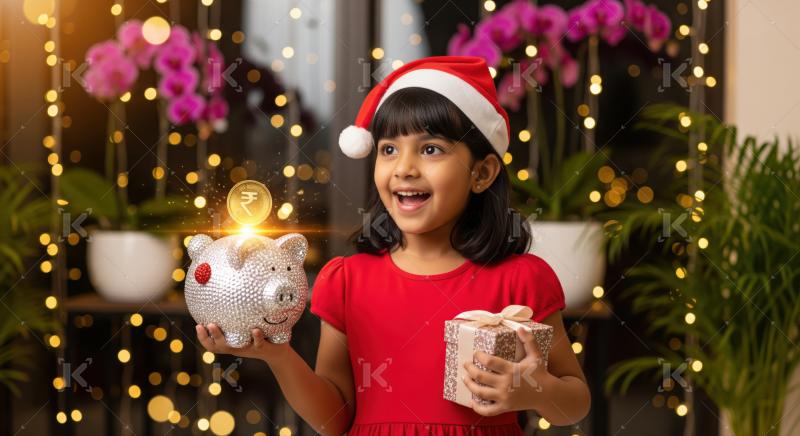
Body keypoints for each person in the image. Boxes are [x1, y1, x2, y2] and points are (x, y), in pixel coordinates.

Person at [196, 56, 591, 435]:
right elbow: (334, 419)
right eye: (388, 149)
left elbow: (575, 403)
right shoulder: (349, 281)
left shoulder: (522, 280)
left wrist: (534, 390)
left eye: (430, 148)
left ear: (482, 172)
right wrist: (276, 354)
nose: (403, 167)